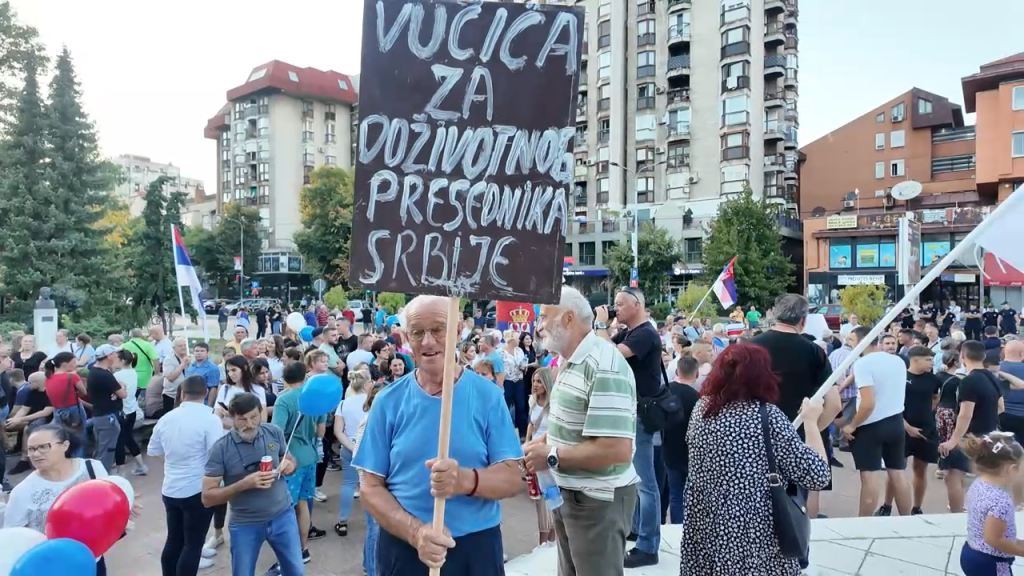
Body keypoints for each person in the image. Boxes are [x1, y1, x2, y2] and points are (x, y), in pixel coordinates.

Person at [353, 295, 523, 574]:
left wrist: (465, 480)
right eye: (418, 332)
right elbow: (370, 488)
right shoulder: (388, 401)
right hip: (405, 548)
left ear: (458, 331)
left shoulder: (489, 396)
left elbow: (512, 478)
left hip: (475, 548)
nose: (428, 341)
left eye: (438, 329)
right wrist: (416, 532)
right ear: (407, 337)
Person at [680, 343, 830, 575]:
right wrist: (811, 422)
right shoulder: (766, 416)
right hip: (754, 532)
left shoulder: (702, 410)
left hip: (707, 525)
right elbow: (817, 475)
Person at [524, 286, 638, 576]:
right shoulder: (570, 360)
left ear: (568, 318)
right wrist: (544, 441)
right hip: (572, 496)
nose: (539, 326)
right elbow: (574, 425)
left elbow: (616, 450)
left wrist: (550, 455)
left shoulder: (604, 364)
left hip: (597, 502)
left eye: (545, 317)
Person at [751, 294, 840, 529]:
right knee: (802, 496)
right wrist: (812, 429)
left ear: (774, 314)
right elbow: (834, 403)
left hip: (756, 435)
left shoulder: (750, 347)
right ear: (804, 320)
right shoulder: (814, 352)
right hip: (799, 435)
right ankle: (800, 540)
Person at [3, 424, 137, 575]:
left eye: (43, 447)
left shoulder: (92, 468)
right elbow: (13, 536)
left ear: (65, 445)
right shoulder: (22, 491)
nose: (36, 454)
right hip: (50, 567)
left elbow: (107, 502)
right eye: (31, 449)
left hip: (92, 559)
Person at [592, 287, 661, 569]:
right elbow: (600, 349)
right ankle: (635, 528)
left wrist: (600, 324)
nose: (615, 308)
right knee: (632, 477)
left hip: (641, 415)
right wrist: (600, 327)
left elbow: (612, 355)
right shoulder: (629, 332)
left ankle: (648, 546)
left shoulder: (645, 333)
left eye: (620, 304)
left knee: (645, 482)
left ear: (637, 305)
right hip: (631, 412)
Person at [201, 393, 301, 576]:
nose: (249, 424)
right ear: (232, 417)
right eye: (242, 419)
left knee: (295, 571)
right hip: (245, 523)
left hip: (283, 515)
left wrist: (290, 465)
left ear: (261, 412)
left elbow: (288, 458)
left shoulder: (273, 432)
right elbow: (207, 497)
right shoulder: (221, 448)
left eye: (254, 417)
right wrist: (243, 484)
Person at [148, 375, 225, 574]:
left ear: (182, 394)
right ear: (206, 393)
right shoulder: (211, 419)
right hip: (197, 490)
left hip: (170, 488)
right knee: (193, 544)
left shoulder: (166, 418)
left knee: (173, 540)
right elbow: (215, 455)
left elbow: (153, 450)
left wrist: (172, 465)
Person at [839, 327, 912, 517]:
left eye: (852, 340)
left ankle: (864, 523)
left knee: (869, 476)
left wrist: (852, 425)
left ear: (862, 341)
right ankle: (907, 519)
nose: (849, 343)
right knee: (898, 474)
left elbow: (868, 402)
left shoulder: (863, 364)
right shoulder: (898, 361)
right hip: (895, 422)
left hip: (870, 425)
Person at [270, 361, 327, 570]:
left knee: (286, 508)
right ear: (305, 376)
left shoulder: (284, 399)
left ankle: (288, 555)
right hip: (310, 456)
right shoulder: (315, 398)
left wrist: (274, 453)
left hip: (290, 459)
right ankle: (303, 549)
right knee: (303, 503)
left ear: (284, 378)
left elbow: (276, 432)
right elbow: (320, 431)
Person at [875, 345, 942, 517]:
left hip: (926, 429)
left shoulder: (934, 379)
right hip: (901, 428)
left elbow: (935, 397)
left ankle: (917, 507)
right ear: (915, 360)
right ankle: (886, 505)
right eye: (928, 360)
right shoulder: (900, 378)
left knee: (920, 470)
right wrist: (907, 427)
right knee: (895, 470)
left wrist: (926, 415)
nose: (932, 363)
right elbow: (891, 405)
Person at [940, 340, 1005, 512]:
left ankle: (956, 514)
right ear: (983, 356)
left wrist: (954, 440)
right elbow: (1001, 407)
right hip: (988, 433)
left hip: (968, 436)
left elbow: (965, 414)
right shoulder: (992, 378)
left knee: (953, 474)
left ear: (962, 355)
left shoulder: (968, 381)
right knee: (983, 476)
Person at [959, 432, 1024, 574]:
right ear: (1012, 469)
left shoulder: (978, 484)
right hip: (991, 562)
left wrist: (1018, 542)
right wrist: (1020, 550)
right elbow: (994, 539)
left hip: (971, 551)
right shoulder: (1001, 501)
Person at [662, 355, 700, 525]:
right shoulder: (697, 397)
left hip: (668, 449)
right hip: (690, 452)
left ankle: (677, 527)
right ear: (696, 374)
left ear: (677, 372)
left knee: (675, 494)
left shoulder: (665, 391)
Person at [334, 370, 371, 538]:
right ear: (366, 384)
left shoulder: (343, 404)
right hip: (369, 448)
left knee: (348, 484)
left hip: (349, 446)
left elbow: (338, 431)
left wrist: (350, 446)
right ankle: (373, 521)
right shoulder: (373, 402)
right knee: (371, 485)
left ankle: (342, 521)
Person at [524, 367, 556, 546]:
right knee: (539, 497)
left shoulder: (555, 403)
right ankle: (544, 541)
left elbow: (553, 431)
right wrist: (528, 441)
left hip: (547, 452)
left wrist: (532, 445)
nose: (535, 385)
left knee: (550, 496)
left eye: (539, 381)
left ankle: (549, 540)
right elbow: (531, 423)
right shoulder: (533, 400)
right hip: (534, 451)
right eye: (534, 381)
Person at [4, 371, 53, 476]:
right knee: (6, 425)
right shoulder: (32, 392)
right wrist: (14, 419)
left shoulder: (51, 392)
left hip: (48, 419)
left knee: (28, 428)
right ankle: (12, 451)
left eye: (30, 382)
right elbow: (24, 408)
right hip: (32, 417)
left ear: (38, 383)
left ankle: (25, 459)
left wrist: (21, 420)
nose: (28, 384)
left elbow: (46, 412)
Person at [89, 344, 128, 472]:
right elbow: (123, 394)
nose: (117, 356)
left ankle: (97, 476)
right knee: (107, 451)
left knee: (101, 448)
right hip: (107, 417)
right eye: (115, 354)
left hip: (99, 415)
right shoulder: (104, 375)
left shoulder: (94, 371)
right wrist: (122, 387)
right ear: (109, 356)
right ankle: (102, 478)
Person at [113, 349, 148, 476]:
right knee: (128, 438)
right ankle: (141, 466)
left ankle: (121, 473)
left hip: (122, 411)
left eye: (116, 359)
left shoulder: (117, 376)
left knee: (120, 441)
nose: (114, 361)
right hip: (132, 410)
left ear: (122, 361)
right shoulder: (133, 372)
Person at [43, 351, 87, 452]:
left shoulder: (48, 378)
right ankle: (78, 456)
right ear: (64, 364)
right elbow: (84, 392)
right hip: (74, 408)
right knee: (79, 435)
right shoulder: (72, 376)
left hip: (58, 410)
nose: (76, 364)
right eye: (73, 362)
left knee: (62, 436)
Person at [123, 328, 158, 400]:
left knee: (130, 400)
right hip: (145, 379)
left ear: (130, 336)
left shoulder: (124, 346)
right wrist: (156, 375)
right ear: (142, 336)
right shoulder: (147, 345)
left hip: (129, 377)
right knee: (143, 402)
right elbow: (155, 359)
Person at [184, 342, 222, 407]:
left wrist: (209, 407)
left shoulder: (212, 368)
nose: (199, 353)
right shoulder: (191, 366)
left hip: (203, 403)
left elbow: (213, 389)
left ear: (207, 353)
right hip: (188, 402)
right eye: (197, 351)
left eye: (202, 351)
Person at [161, 338, 190, 417]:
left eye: (184, 345)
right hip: (171, 395)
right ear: (174, 348)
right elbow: (170, 377)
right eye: (180, 346)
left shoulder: (189, 358)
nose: (183, 347)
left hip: (186, 395)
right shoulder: (168, 359)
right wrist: (183, 364)